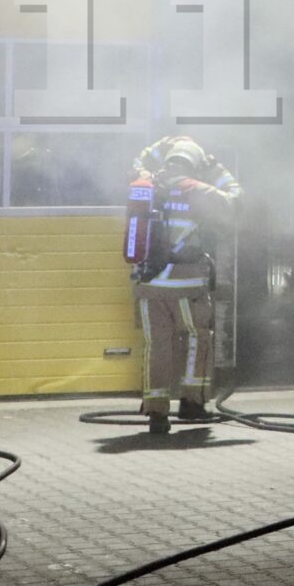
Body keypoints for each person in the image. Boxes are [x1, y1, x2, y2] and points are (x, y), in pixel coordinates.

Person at [126, 134, 242, 434]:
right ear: (195, 165)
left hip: (148, 285)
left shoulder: (145, 184)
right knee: (197, 339)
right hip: (187, 285)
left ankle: (156, 412)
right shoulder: (197, 190)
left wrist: (157, 147)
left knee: (156, 346)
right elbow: (236, 201)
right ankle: (192, 404)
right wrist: (215, 168)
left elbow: (136, 161)